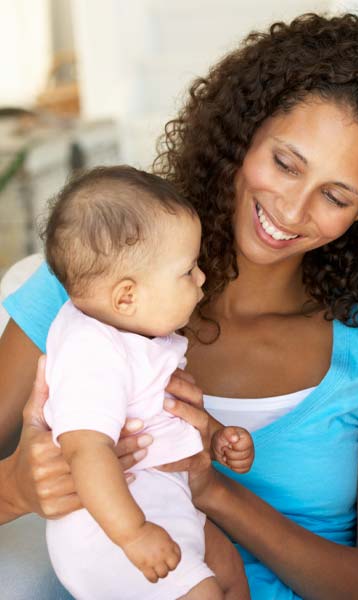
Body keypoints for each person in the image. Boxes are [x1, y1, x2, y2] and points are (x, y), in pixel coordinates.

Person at [0, 13, 358, 600]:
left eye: (336, 196)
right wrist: (16, 489)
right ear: (246, 134)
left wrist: (211, 491)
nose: (291, 209)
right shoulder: (93, 286)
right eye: (286, 164)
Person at [41, 166, 253, 599]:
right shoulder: (91, 351)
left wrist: (214, 436)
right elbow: (85, 449)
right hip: (111, 527)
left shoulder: (140, 334)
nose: (201, 278)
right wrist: (134, 533)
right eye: (188, 270)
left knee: (229, 570)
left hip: (167, 505)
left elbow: (161, 408)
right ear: (126, 296)